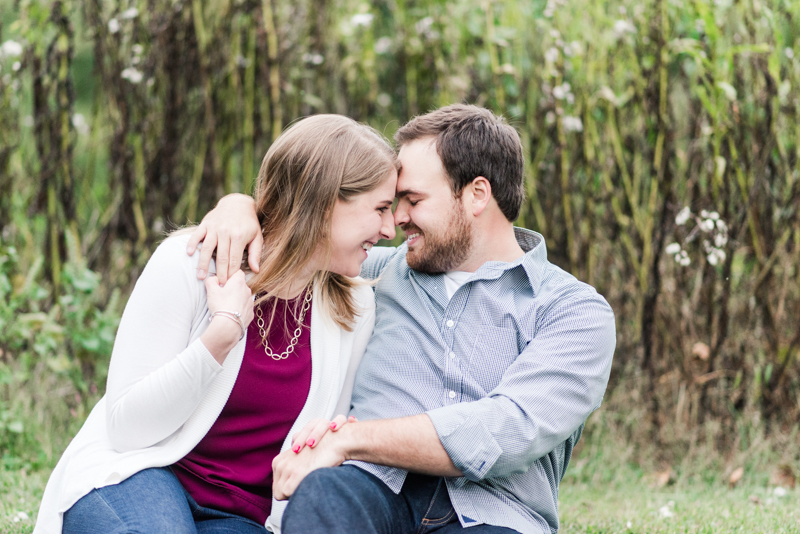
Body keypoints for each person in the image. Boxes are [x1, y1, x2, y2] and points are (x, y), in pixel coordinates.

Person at [191, 104, 616, 534]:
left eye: (413, 200)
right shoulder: (378, 272)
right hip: (369, 489)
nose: (396, 220)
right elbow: (309, 235)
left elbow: (506, 429)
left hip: (490, 512)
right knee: (322, 500)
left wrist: (348, 439)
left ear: (477, 194)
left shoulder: (573, 312)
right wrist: (240, 207)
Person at [34, 114, 399, 534]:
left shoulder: (353, 304)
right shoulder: (189, 262)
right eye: (380, 208)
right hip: (143, 473)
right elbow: (126, 428)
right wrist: (219, 337)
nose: (389, 228)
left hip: (241, 516)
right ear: (327, 201)